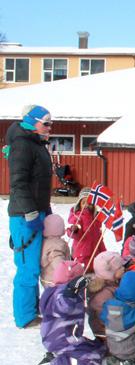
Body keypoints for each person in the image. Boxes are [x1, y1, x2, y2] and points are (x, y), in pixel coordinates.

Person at [7, 105, 54, 328]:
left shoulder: (37, 145)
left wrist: (46, 208)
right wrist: (30, 212)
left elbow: (40, 184)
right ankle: (24, 316)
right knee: (27, 267)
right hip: (25, 215)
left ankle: (33, 309)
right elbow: (19, 182)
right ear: (31, 122)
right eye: (46, 123)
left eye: (51, 124)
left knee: (35, 264)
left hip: (38, 210)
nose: (49, 127)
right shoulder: (22, 145)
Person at [30, 260, 106, 365]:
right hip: (63, 339)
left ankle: (56, 356)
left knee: (97, 348)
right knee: (93, 361)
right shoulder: (63, 294)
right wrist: (71, 291)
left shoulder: (52, 289)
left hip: (60, 336)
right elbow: (62, 307)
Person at [87, 251, 128, 338]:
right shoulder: (104, 295)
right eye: (120, 267)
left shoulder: (112, 284)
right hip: (107, 335)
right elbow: (111, 321)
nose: (123, 268)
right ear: (110, 272)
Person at [67, 187, 105, 270]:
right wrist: (75, 230)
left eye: (89, 203)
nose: (87, 205)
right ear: (79, 204)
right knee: (83, 275)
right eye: (84, 202)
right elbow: (75, 235)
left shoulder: (96, 219)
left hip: (95, 254)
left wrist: (104, 253)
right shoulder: (77, 217)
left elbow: (99, 240)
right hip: (82, 255)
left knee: (93, 275)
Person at [40, 214, 71, 288]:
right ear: (59, 228)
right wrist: (69, 273)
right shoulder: (56, 246)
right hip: (56, 282)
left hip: (47, 279)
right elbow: (59, 265)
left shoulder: (45, 242)